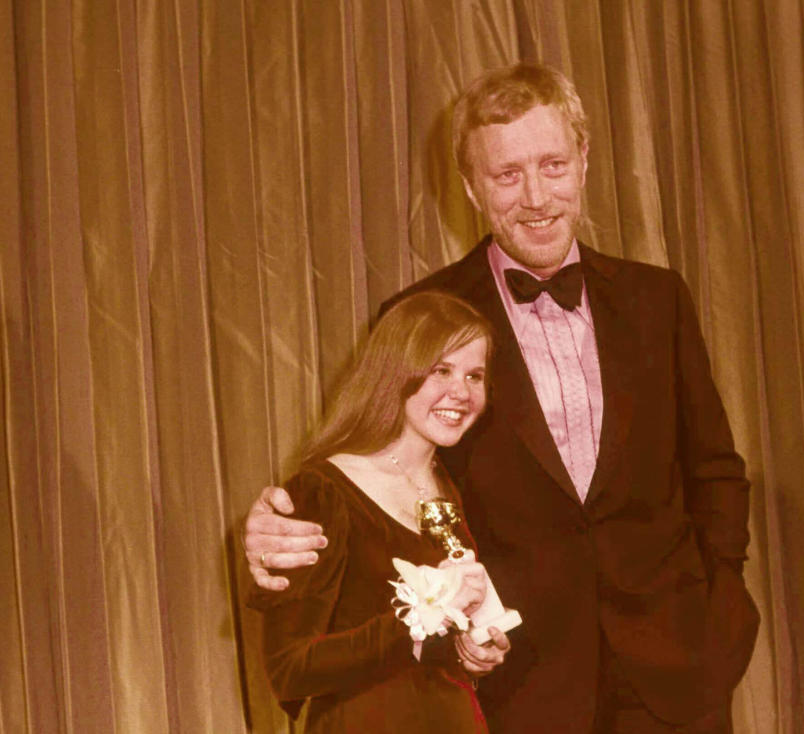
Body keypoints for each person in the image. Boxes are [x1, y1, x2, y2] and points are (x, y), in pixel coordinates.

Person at [244, 63, 759, 733]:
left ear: (583, 162)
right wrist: (274, 538)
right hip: (514, 683)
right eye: (507, 175)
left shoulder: (658, 299)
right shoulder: (420, 316)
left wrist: (723, 602)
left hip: (675, 670)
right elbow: (372, 481)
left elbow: (714, 468)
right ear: (470, 187)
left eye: (552, 165)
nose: (536, 196)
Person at [247, 291, 511, 733]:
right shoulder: (322, 491)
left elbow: (425, 652)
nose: (460, 392)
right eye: (441, 370)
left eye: (475, 375)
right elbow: (288, 669)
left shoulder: (445, 485)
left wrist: (470, 650)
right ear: (396, 371)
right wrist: (418, 622)